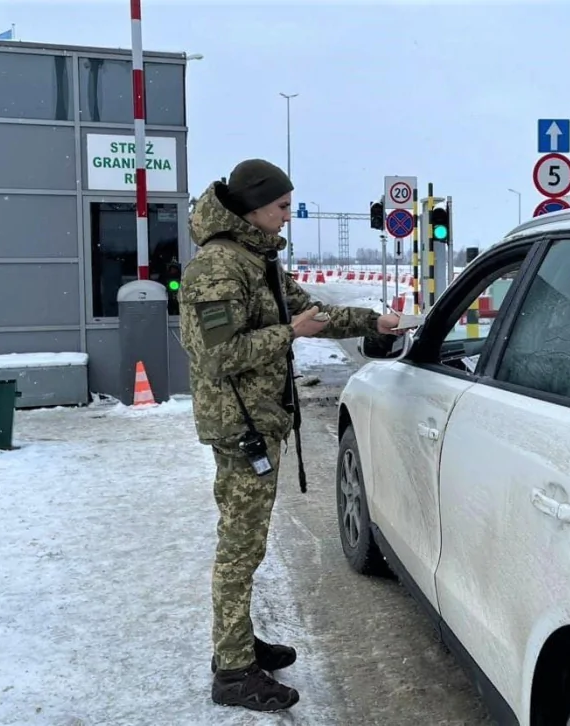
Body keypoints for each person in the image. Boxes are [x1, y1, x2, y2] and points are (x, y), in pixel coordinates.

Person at [178, 159, 402, 712]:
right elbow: (217, 356)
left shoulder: (257, 261)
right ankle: (233, 673)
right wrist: (288, 334)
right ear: (252, 207)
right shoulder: (217, 269)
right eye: (280, 207)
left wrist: (374, 322)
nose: (286, 217)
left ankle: (238, 642)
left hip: (258, 419)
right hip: (239, 426)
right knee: (240, 549)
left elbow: (313, 313)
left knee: (244, 545)